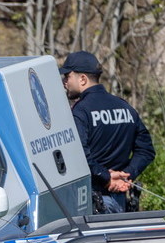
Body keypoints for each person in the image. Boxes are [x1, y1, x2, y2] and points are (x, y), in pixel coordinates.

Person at [60, 51, 155, 214]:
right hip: (120, 199)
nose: (64, 82)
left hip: (91, 201)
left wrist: (106, 177)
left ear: (82, 79)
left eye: (67, 76)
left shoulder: (81, 111)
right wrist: (127, 175)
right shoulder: (125, 107)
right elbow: (146, 150)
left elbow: (79, 155)